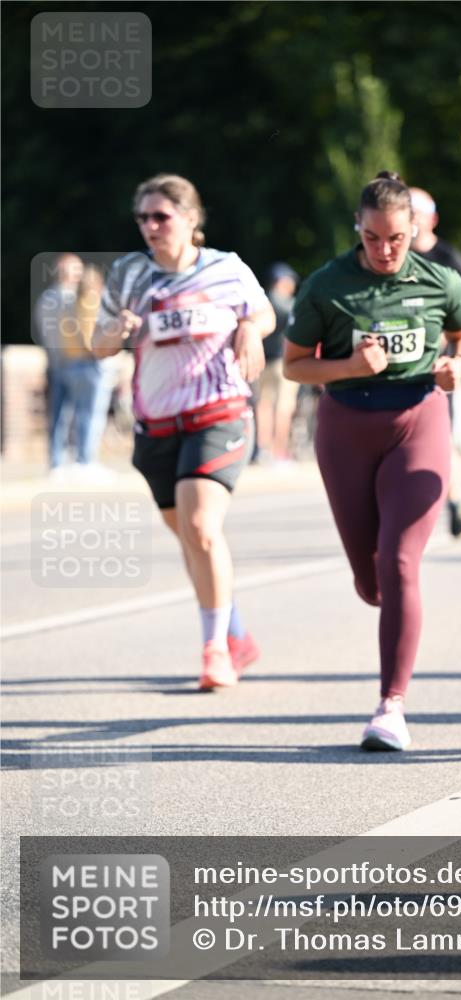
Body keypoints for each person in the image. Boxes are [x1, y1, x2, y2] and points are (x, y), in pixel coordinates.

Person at [284, 171, 461, 751]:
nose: (385, 250)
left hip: (417, 422)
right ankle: (383, 601)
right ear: (358, 230)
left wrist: (458, 366)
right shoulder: (327, 286)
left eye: (396, 238)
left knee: (400, 564)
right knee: (372, 584)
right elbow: (295, 366)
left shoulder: (440, 280)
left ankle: (391, 706)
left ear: (413, 229)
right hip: (345, 429)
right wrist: (348, 366)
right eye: (372, 237)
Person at [92, 174, 276, 687]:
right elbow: (99, 345)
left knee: (200, 526)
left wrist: (246, 327)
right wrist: (117, 331)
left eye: (161, 217)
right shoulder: (130, 275)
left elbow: (263, 315)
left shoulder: (226, 268)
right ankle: (237, 634)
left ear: (190, 219)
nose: (150, 227)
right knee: (193, 540)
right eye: (143, 218)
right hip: (157, 426)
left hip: (219, 412)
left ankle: (215, 650)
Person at [410, 187, 461, 536]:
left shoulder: (448, 257)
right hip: (397, 366)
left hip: (439, 366)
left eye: (417, 211)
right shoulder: (388, 256)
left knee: (440, 437)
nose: (411, 218)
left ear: (432, 218)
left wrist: (443, 330)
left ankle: (454, 498)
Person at [34, 254, 115, 478]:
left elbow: (44, 332)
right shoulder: (74, 299)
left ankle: (58, 463)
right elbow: (84, 333)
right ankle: (83, 461)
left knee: (61, 415)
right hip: (80, 362)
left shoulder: (47, 298)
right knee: (86, 413)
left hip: (60, 363)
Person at [254, 262, 300, 464]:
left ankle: (263, 448)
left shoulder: (261, 301)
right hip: (283, 362)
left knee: (263, 405)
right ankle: (279, 451)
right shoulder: (288, 304)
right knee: (283, 407)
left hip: (263, 360)